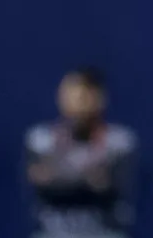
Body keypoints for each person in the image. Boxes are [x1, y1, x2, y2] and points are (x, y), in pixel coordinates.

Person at [24, 68, 137, 238]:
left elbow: (108, 187)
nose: (77, 104)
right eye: (70, 95)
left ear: (100, 98)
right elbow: (41, 184)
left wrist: (58, 173)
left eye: (83, 97)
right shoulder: (40, 139)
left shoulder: (119, 141)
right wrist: (86, 178)